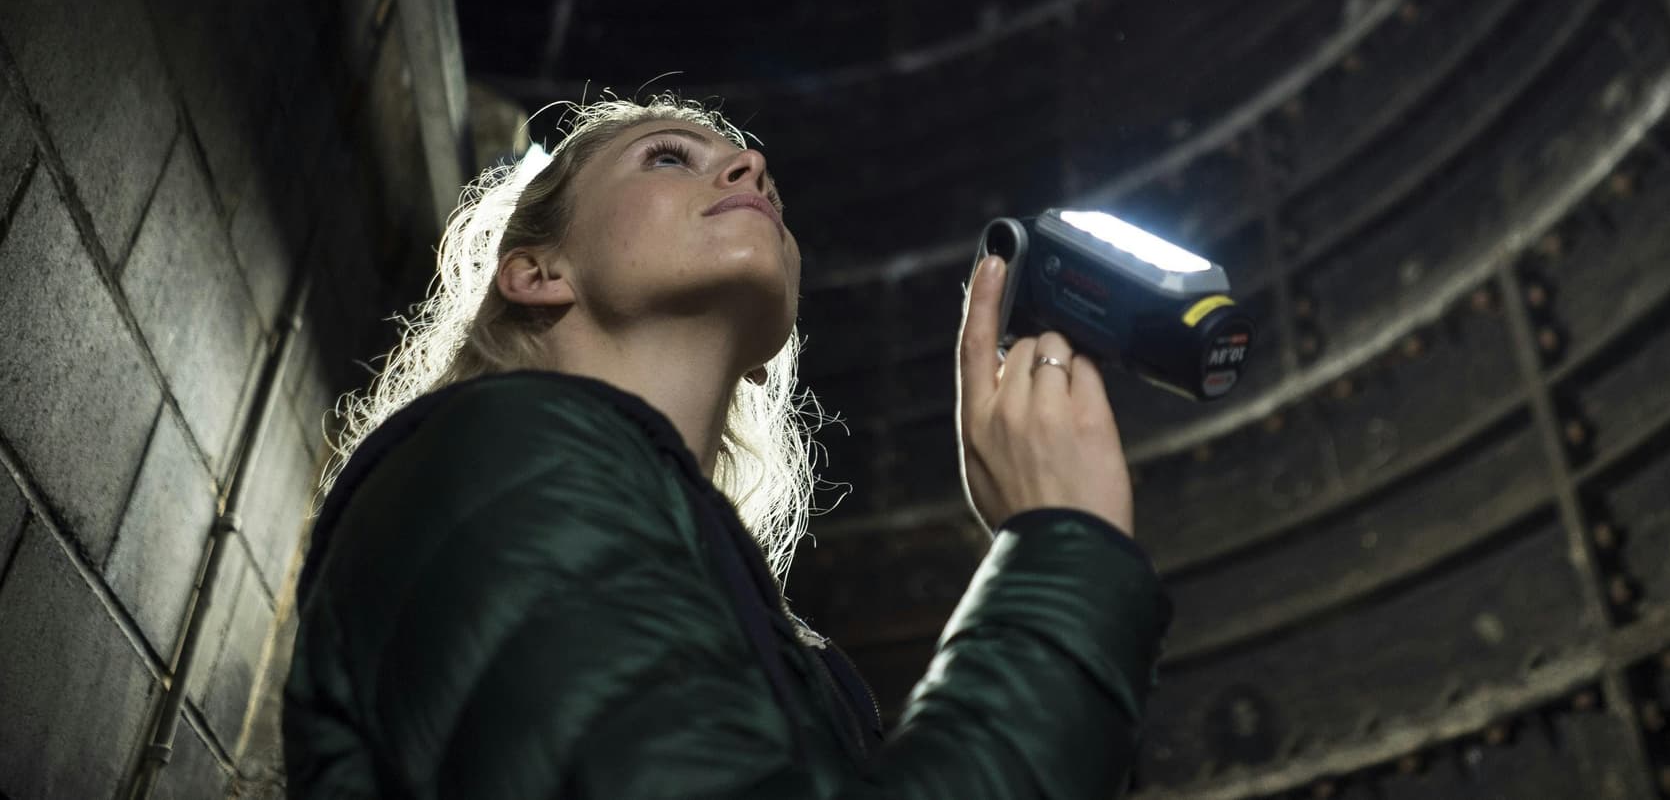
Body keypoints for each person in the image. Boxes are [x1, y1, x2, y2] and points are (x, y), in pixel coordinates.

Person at [281, 92, 1174, 798]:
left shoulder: (772, 637)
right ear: (536, 271)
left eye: (762, 181)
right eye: (669, 156)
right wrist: (1063, 558)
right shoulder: (493, 459)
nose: (754, 166)